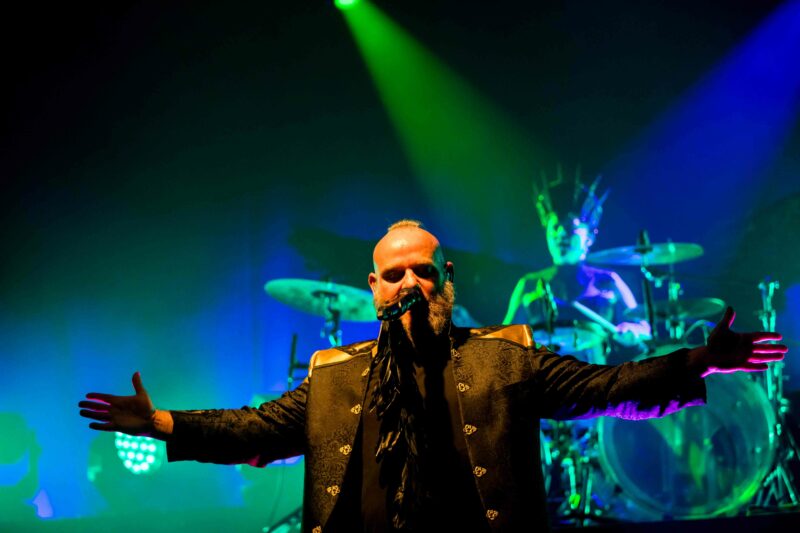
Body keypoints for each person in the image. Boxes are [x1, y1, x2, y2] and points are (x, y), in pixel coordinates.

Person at [79, 219, 787, 532]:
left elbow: (604, 387)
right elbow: (256, 429)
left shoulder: (504, 359)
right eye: (395, 274)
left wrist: (697, 359)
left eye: (424, 270)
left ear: (447, 278)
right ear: (374, 288)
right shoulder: (335, 376)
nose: (411, 283)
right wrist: (163, 423)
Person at [503, 171, 650, 357]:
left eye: (569, 228)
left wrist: (632, 330)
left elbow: (645, 328)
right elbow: (503, 340)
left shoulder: (608, 280)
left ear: (589, 238)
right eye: (554, 228)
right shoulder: (528, 284)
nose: (560, 235)